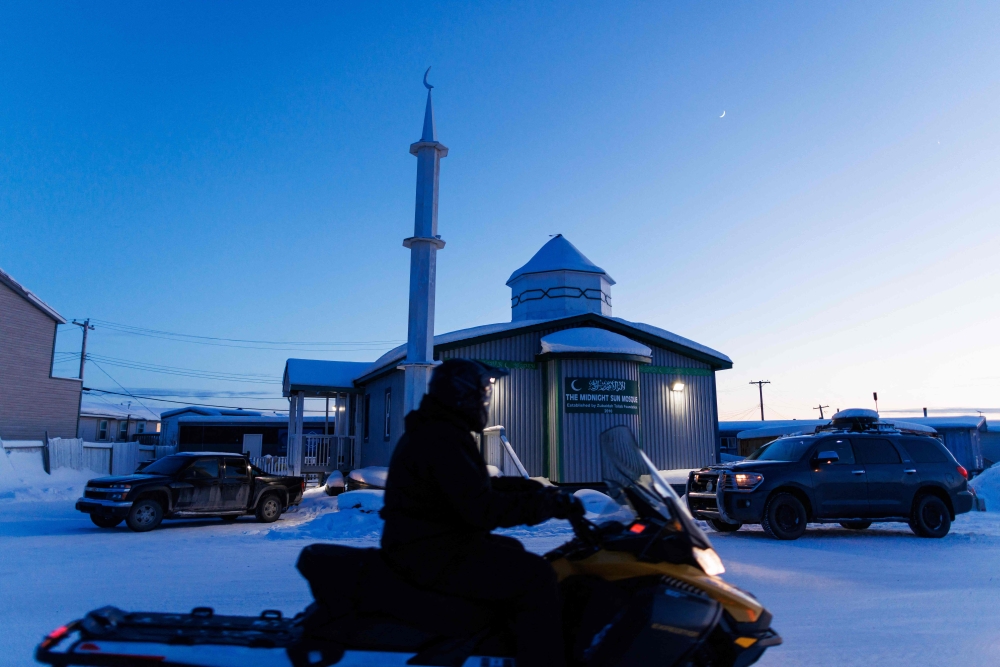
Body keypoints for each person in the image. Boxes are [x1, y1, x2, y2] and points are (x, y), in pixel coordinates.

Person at [380, 358, 582, 667]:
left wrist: (531, 489)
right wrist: (546, 505)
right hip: (429, 552)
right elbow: (481, 508)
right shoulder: (441, 437)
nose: (485, 399)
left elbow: (473, 485)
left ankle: (499, 639)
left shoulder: (441, 429)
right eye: (482, 391)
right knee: (537, 576)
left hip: (431, 543)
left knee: (513, 551)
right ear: (461, 394)